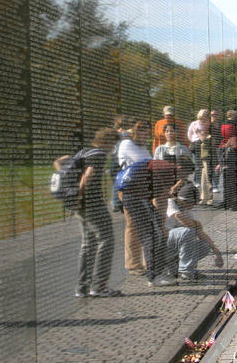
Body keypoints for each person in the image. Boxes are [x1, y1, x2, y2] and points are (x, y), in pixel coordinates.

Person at [62, 128, 121, 298]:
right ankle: (99, 285)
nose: (113, 148)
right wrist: (79, 196)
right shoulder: (99, 154)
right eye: (113, 143)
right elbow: (87, 176)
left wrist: (74, 200)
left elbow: (60, 163)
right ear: (107, 141)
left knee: (88, 244)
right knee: (106, 240)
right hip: (92, 203)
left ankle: (82, 287)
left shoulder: (84, 152)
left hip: (81, 206)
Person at [118, 121, 157, 277]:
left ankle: (148, 261)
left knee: (145, 225)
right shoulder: (127, 144)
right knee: (133, 225)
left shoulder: (143, 147)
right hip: (130, 189)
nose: (145, 135)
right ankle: (133, 263)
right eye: (142, 132)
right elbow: (144, 163)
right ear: (134, 132)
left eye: (147, 132)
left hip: (143, 189)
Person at [165, 185, 224, 282]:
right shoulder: (171, 203)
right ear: (184, 200)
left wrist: (216, 251)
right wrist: (197, 224)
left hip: (175, 244)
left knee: (205, 246)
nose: (193, 206)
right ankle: (186, 272)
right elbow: (180, 218)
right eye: (193, 203)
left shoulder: (186, 210)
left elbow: (200, 232)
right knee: (188, 231)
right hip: (165, 244)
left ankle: (179, 267)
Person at [217, 135, 237, 210]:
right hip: (227, 164)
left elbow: (233, 149)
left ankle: (234, 204)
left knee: (232, 184)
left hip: (231, 164)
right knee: (226, 184)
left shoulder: (233, 139)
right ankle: (227, 202)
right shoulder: (225, 140)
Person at [187, 109, 209, 186]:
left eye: (206, 114)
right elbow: (189, 133)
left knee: (205, 164)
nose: (204, 116)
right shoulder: (194, 123)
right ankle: (197, 181)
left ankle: (205, 181)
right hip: (196, 143)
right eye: (203, 114)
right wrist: (192, 139)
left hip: (205, 144)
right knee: (198, 164)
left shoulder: (207, 123)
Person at [209, 110, 222, 192]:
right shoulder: (208, 125)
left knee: (218, 166)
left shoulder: (221, 125)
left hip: (220, 148)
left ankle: (215, 185)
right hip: (210, 148)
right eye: (213, 114)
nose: (214, 116)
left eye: (216, 114)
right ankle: (212, 185)